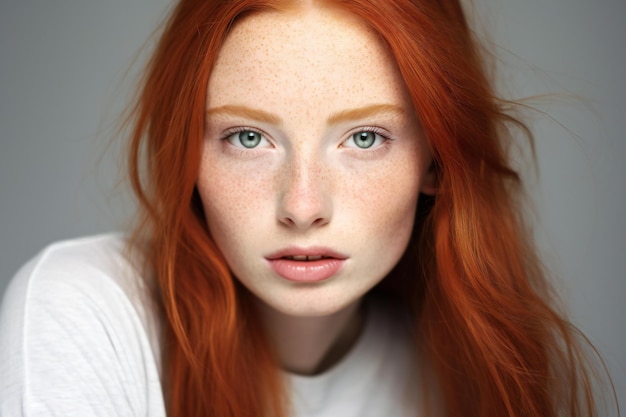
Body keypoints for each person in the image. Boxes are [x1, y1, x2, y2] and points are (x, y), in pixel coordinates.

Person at [0, 0, 613, 416]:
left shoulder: (463, 372)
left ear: (435, 158)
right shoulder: (85, 311)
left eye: (365, 138)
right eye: (247, 138)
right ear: (189, 152)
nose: (302, 207)